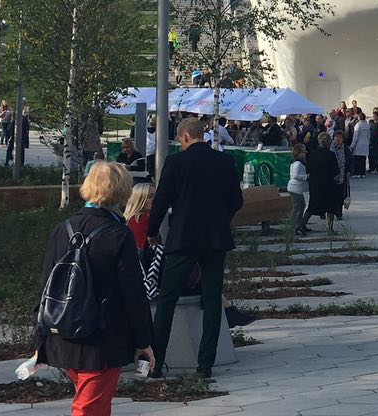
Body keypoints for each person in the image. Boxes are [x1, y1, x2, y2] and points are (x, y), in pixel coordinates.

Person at [34, 162, 153, 415]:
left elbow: (45, 285)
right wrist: (144, 341)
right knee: (89, 408)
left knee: (94, 402)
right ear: (122, 191)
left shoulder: (61, 230)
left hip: (63, 330)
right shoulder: (119, 235)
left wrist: (40, 335)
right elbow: (133, 293)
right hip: (101, 338)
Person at [146, 117, 243, 378]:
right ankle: (205, 365)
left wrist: (152, 232)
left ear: (185, 137)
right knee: (212, 299)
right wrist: (223, 221)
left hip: (183, 238)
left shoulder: (176, 162)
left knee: (167, 299)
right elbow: (236, 200)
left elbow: (161, 200)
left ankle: (157, 362)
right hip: (215, 239)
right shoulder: (224, 161)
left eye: (179, 140)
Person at [306, 132, 344, 234]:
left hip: (314, 183)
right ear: (329, 142)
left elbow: (308, 168)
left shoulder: (312, 153)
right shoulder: (330, 155)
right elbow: (335, 171)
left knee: (312, 205)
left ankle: (301, 225)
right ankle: (330, 229)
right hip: (328, 183)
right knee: (330, 207)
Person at [287, 143, 310, 235]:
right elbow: (294, 175)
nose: (304, 154)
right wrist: (306, 176)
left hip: (297, 188)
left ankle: (299, 225)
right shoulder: (297, 164)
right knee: (297, 208)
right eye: (303, 153)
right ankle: (293, 227)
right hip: (295, 188)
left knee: (301, 206)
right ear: (298, 153)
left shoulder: (296, 162)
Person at [125, 181, 154, 251]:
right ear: (140, 200)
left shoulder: (129, 219)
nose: (155, 199)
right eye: (150, 197)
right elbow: (141, 249)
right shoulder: (142, 219)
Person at [349, 112, 369, 177]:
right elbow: (369, 135)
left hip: (358, 144)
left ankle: (357, 173)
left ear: (359, 118)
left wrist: (352, 145)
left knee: (357, 159)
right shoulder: (367, 125)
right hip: (365, 144)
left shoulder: (358, 125)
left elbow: (355, 136)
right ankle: (363, 173)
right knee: (363, 159)